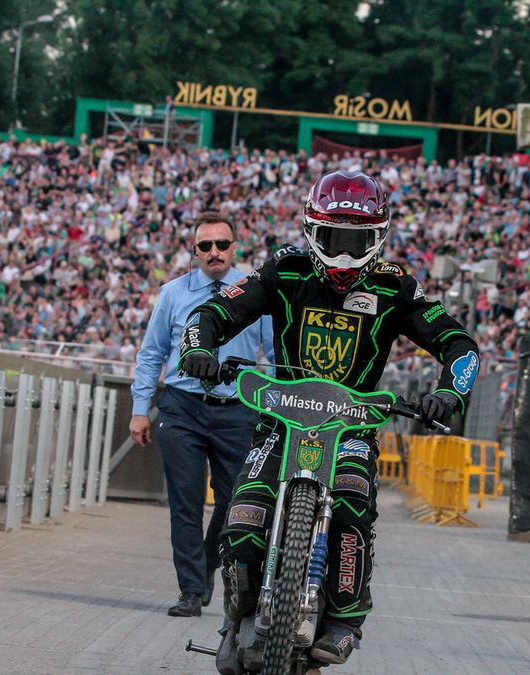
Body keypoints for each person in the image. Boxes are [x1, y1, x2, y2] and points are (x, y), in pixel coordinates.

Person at [178, 171, 481, 665]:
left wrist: (449, 393)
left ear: (378, 237)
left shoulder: (396, 286)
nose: (342, 255)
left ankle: (345, 621)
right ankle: (239, 611)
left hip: (351, 430)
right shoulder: (283, 268)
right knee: (243, 513)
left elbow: (460, 345)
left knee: (352, 510)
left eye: (355, 241)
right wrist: (199, 350)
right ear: (309, 231)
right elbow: (210, 314)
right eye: (331, 239)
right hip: (280, 420)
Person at [130, 211, 275, 618]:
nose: (214, 252)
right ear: (194, 251)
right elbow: (151, 354)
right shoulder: (173, 294)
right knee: (186, 503)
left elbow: (277, 355)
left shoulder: (257, 293)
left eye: (222, 245)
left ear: (235, 247)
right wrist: (141, 410)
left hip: (239, 410)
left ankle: (209, 566)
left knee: (235, 503)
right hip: (183, 407)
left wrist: (282, 405)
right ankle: (191, 590)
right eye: (205, 246)